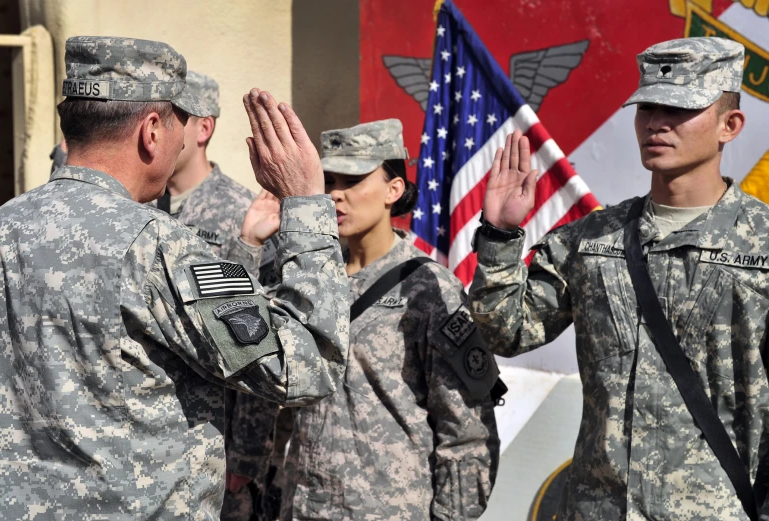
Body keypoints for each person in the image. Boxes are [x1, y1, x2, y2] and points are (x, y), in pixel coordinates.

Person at [0, 35, 349, 520]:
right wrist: (306, 205)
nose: (181, 140)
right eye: (180, 122)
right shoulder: (159, 245)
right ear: (152, 130)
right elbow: (305, 365)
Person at [468, 37, 769, 519]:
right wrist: (500, 234)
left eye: (678, 108)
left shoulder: (763, 245)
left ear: (729, 126)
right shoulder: (590, 239)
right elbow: (503, 332)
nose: (656, 123)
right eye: (647, 107)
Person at [280, 119, 500, 520]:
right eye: (329, 181)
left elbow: (466, 432)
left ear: (393, 189)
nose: (335, 195)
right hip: (303, 505)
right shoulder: (310, 279)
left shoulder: (430, 289)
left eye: (353, 180)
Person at [137, 69, 281, 521]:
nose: (159, 130)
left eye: (174, 117)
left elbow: (261, 335)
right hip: (145, 442)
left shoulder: (246, 212)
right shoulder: (136, 209)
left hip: (215, 440)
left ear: (204, 128)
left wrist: (247, 454)